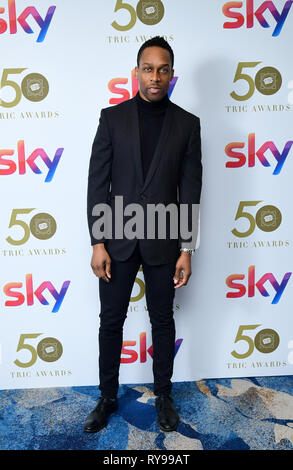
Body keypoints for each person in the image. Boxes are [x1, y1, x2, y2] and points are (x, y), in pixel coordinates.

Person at [84, 36, 202, 433]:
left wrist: (187, 248)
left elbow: (190, 189)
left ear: (172, 74)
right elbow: (98, 182)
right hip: (116, 239)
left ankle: (164, 396)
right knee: (110, 321)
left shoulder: (187, 124)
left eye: (163, 69)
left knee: (162, 321)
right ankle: (106, 397)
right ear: (136, 73)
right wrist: (97, 242)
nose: (155, 76)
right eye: (148, 69)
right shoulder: (111, 118)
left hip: (165, 241)